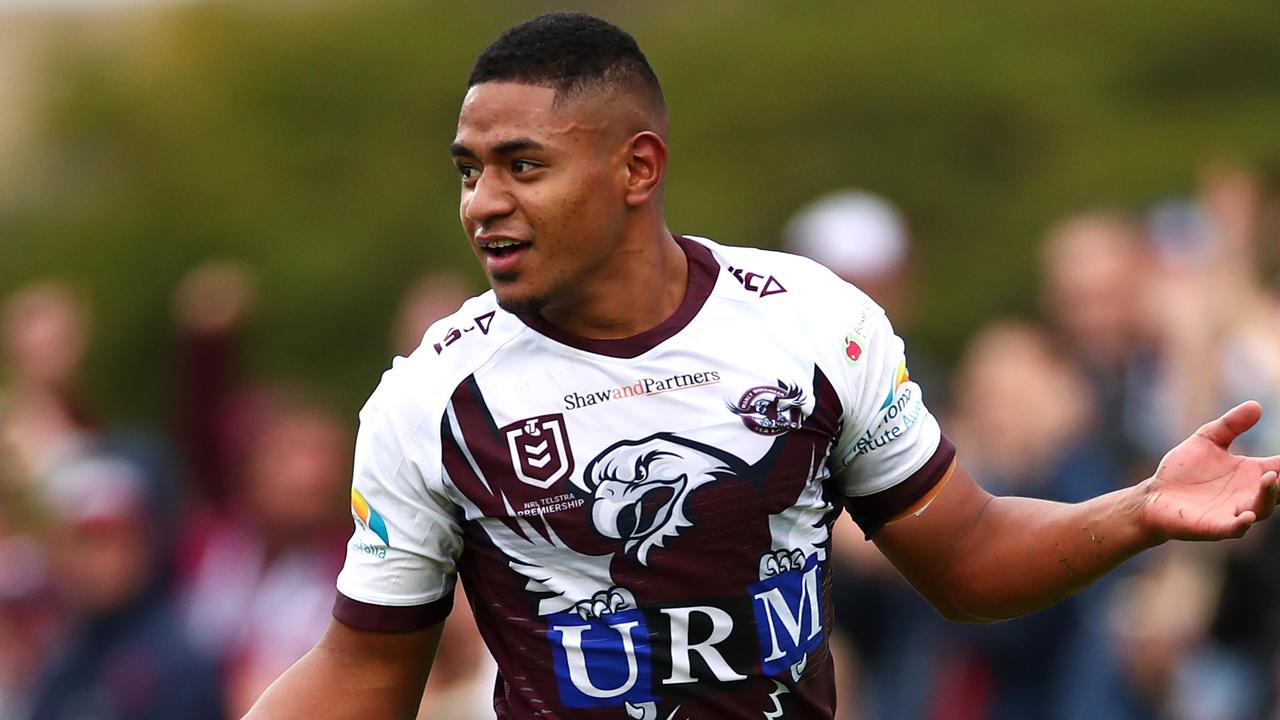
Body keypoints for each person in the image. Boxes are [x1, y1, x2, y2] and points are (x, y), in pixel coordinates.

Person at [244, 12, 1280, 720]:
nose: (482, 203)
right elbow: (361, 672)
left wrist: (1139, 507)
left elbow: (965, 560)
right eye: (469, 171)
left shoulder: (812, 323)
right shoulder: (433, 398)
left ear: (636, 167)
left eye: (523, 165)